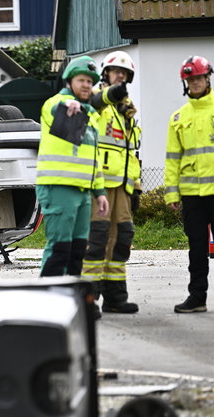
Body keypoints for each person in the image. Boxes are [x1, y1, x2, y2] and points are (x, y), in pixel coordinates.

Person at [165, 56, 214, 314]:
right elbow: (173, 158)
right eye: (190, 79)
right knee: (197, 248)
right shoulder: (178, 117)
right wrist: (171, 193)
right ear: (185, 83)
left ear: (208, 77)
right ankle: (197, 297)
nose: (195, 83)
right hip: (192, 194)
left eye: (199, 77)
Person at [36, 56, 109, 283]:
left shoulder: (90, 115)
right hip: (59, 188)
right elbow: (55, 109)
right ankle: (48, 298)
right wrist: (67, 104)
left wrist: (99, 192)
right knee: (60, 249)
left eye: (90, 81)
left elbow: (93, 158)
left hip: (83, 191)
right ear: (69, 81)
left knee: (77, 251)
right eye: (81, 80)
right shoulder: (57, 103)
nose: (86, 85)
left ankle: (71, 296)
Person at [82, 51, 142, 313]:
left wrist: (136, 188)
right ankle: (88, 299)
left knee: (121, 239)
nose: (121, 76)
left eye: (125, 74)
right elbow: (92, 105)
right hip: (99, 185)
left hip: (123, 188)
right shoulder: (96, 101)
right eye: (116, 71)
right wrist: (110, 97)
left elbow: (130, 154)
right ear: (105, 74)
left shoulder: (126, 111)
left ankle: (116, 297)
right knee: (97, 240)